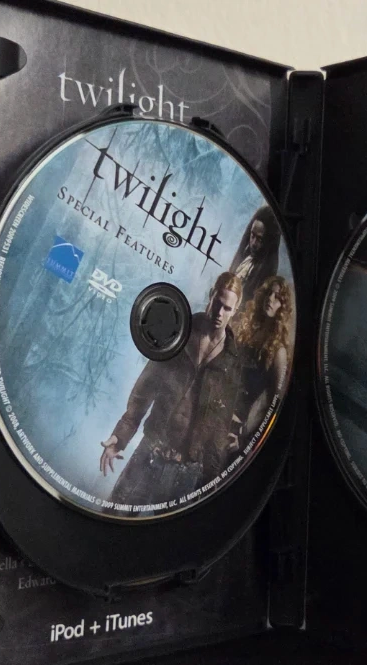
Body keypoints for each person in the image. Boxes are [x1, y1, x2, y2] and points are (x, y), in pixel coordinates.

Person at [100, 272, 248, 508]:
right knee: (114, 514)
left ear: (235, 310)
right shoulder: (182, 329)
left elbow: (219, 429)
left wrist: (211, 481)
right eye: (217, 304)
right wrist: (120, 436)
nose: (220, 313)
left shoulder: (233, 363)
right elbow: (146, 386)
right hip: (150, 450)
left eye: (227, 309)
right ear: (211, 295)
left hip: (184, 472)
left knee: (167, 530)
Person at [231, 276, 294, 452]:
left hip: (238, 429)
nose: (270, 299)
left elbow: (274, 405)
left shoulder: (278, 352)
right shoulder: (246, 332)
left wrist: (244, 437)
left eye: (277, 298)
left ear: (283, 308)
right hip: (220, 409)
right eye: (269, 293)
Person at [228, 206, 280, 303]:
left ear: (269, 241)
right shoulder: (244, 260)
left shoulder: (265, 279)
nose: (253, 243)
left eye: (260, 239)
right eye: (252, 235)